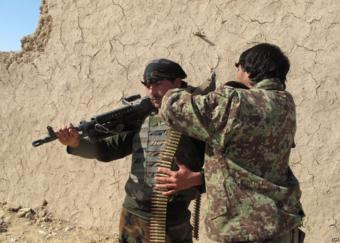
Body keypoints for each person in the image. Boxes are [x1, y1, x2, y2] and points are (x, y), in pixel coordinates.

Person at [159, 43, 305, 243]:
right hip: (282, 222)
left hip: (242, 228)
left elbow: (173, 108)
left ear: (248, 69)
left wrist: (174, 90)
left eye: (238, 66)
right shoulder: (286, 103)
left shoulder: (234, 101)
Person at [54, 58, 206, 243]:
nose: (152, 91)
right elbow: (108, 150)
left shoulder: (199, 119)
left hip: (168, 219)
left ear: (177, 82)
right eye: (147, 85)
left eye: (158, 84)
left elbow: (230, 168)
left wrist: (198, 179)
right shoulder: (144, 118)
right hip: (132, 213)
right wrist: (77, 143)